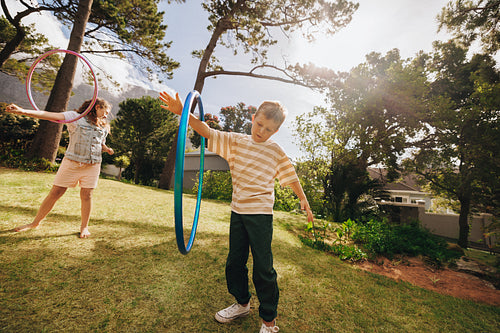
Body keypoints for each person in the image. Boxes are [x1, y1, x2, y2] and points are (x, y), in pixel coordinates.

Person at [159, 91, 314, 333]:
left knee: (263, 268)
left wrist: (303, 199)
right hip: (238, 212)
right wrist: (183, 112)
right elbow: (207, 131)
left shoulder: (275, 150)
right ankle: (242, 304)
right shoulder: (236, 141)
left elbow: (290, 176)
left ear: (276, 132)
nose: (262, 132)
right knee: (234, 263)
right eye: (260, 125)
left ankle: (269, 322)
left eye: (269, 130)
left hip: (261, 215)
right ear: (254, 118)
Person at [5, 98, 114, 238]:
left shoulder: (103, 126)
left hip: (93, 165)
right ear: (97, 107)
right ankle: (35, 223)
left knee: (87, 195)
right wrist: (23, 111)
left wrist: (107, 149)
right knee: (56, 192)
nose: (106, 116)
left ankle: (84, 227)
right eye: (105, 112)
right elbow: (48, 115)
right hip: (72, 163)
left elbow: (100, 143)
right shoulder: (75, 117)